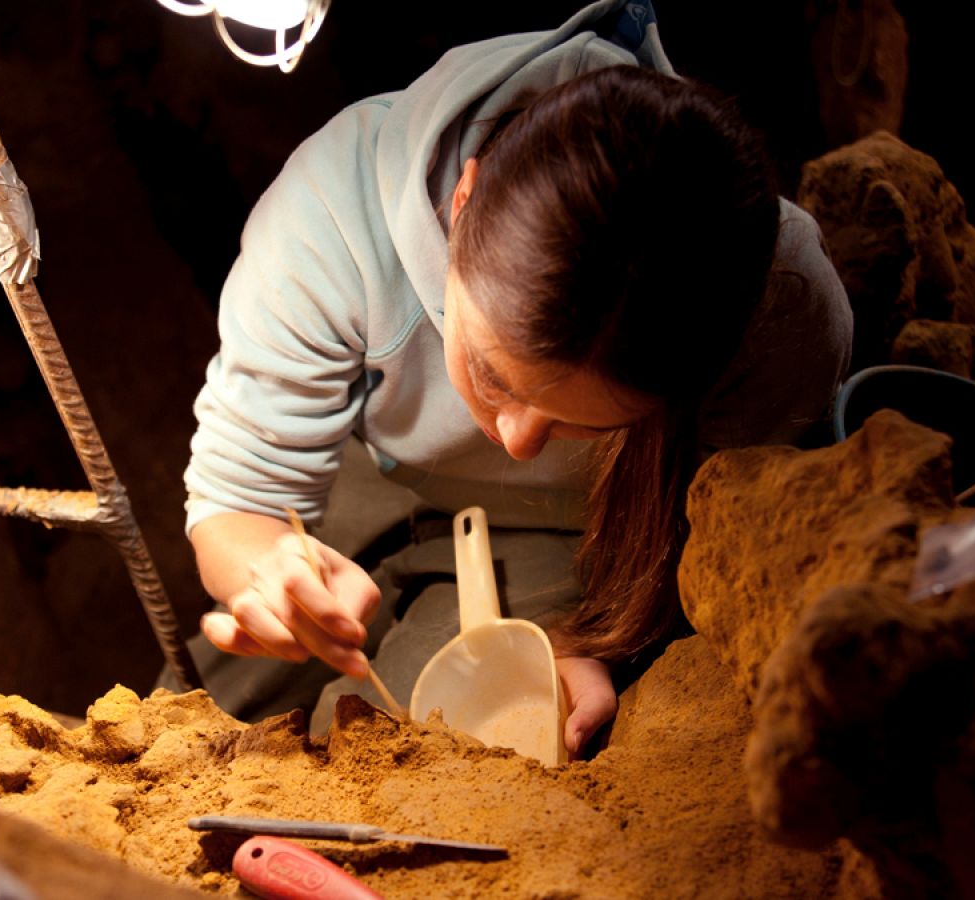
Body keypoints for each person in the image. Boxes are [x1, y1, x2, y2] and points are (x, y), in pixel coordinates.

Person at [175, 0, 852, 756]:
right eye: (492, 376)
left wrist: (603, 644)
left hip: (575, 528)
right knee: (195, 718)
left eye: (583, 422)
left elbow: (727, 558)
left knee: (405, 746)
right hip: (364, 485)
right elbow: (239, 498)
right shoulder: (332, 216)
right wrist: (265, 569)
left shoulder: (781, 309)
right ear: (461, 201)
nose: (518, 440)